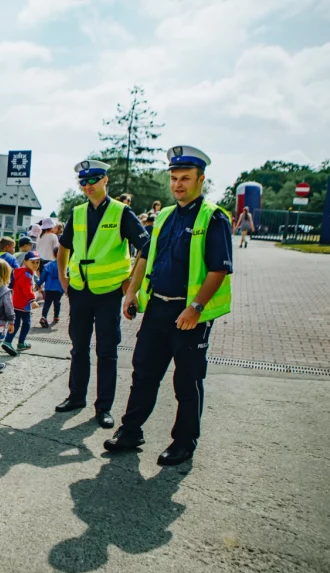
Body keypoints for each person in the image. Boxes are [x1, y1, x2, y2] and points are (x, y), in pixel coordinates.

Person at [105, 145, 233, 466]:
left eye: (185, 178)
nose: (178, 184)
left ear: (200, 180)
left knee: (186, 381)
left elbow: (219, 268)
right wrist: (131, 292)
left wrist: (197, 308)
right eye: (174, 178)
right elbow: (146, 255)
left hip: (189, 314)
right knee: (144, 373)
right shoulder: (162, 216)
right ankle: (131, 430)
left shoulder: (213, 218)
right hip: (158, 310)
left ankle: (184, 442)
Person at [54, 160, 152, 430]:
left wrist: (132, 285)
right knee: (78, 348)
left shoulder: (122, 213)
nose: (87, 186)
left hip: (109, 293)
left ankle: (104, 407)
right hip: (80, 291)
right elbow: (63, 247)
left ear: (105, 180)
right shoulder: (77, 212)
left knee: (106, 351)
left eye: (93, 180)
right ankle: (76, 397)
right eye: (82, 182)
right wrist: (63, 276)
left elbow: (146, 246)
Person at [1, 251, 41, 355]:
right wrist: (32, 300)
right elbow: (27, 289)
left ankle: (8, 341)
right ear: (26, 262)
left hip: (16, 302)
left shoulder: (19, 272)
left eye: (37, 262)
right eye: (33, 262)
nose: (36, 265)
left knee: (16, 323)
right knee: (26, 324)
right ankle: (19, 343)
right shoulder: (27, 275)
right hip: (24, 304)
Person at [37, 258, 63, 328]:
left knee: (47, 303)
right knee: (57, 302)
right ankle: (56, 316)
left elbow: (43, 277)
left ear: (54, 255)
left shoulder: (48, 265)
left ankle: (43, 317)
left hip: (48, 288)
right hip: (59, 288)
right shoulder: (64, 265)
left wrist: (38, 284)